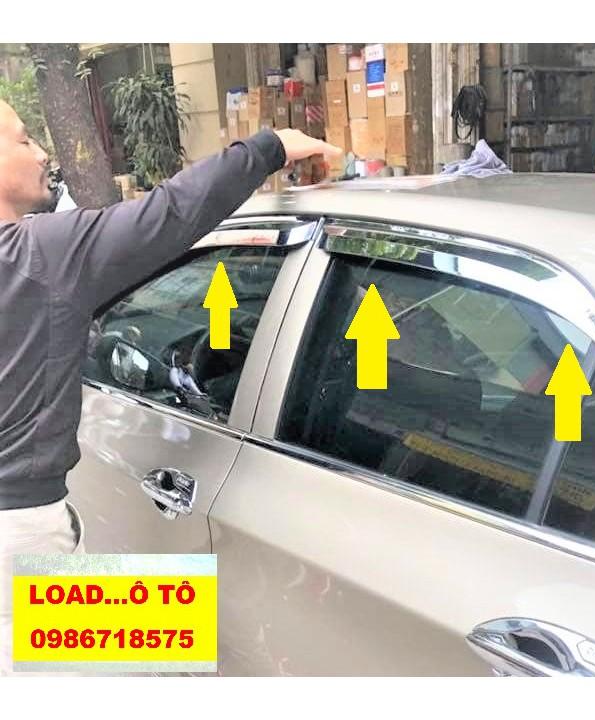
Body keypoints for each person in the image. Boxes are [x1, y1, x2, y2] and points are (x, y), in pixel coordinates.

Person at [0, 98, 342, 675]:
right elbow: (170, 214)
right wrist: (272, 147)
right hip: (20, 539)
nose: (41, 154)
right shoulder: (37, 254)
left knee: (176, 634)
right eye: (24, 139)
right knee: (167, 642)